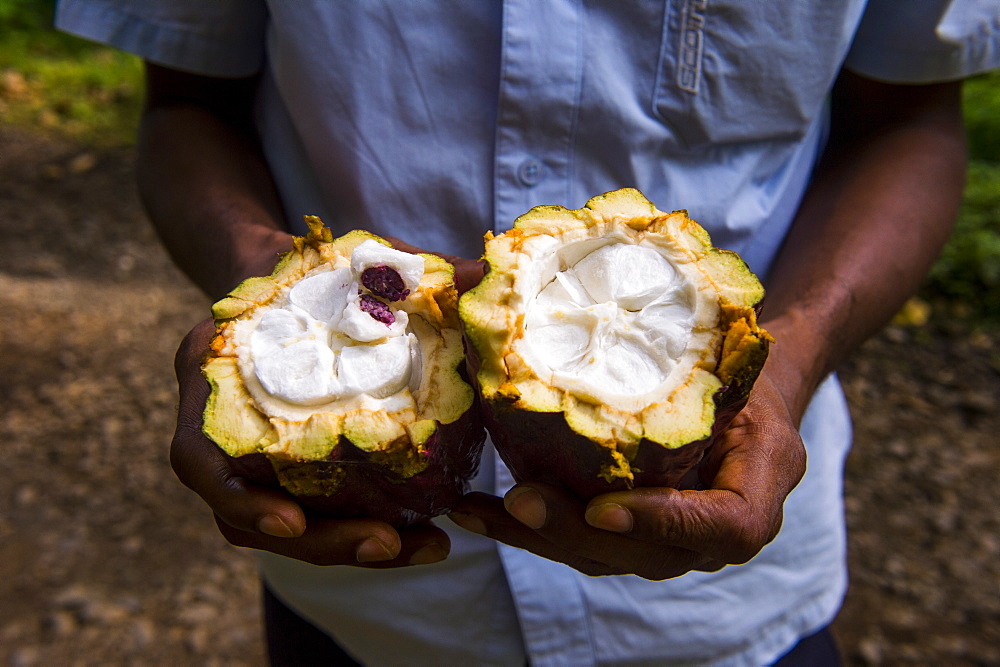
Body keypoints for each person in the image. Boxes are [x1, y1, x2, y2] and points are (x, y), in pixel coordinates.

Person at [56, 1, 998, 664]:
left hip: (731, 612)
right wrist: (272, 294)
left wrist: (787, 357)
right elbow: (186, 101)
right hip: (371, 612)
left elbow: (910, 115)